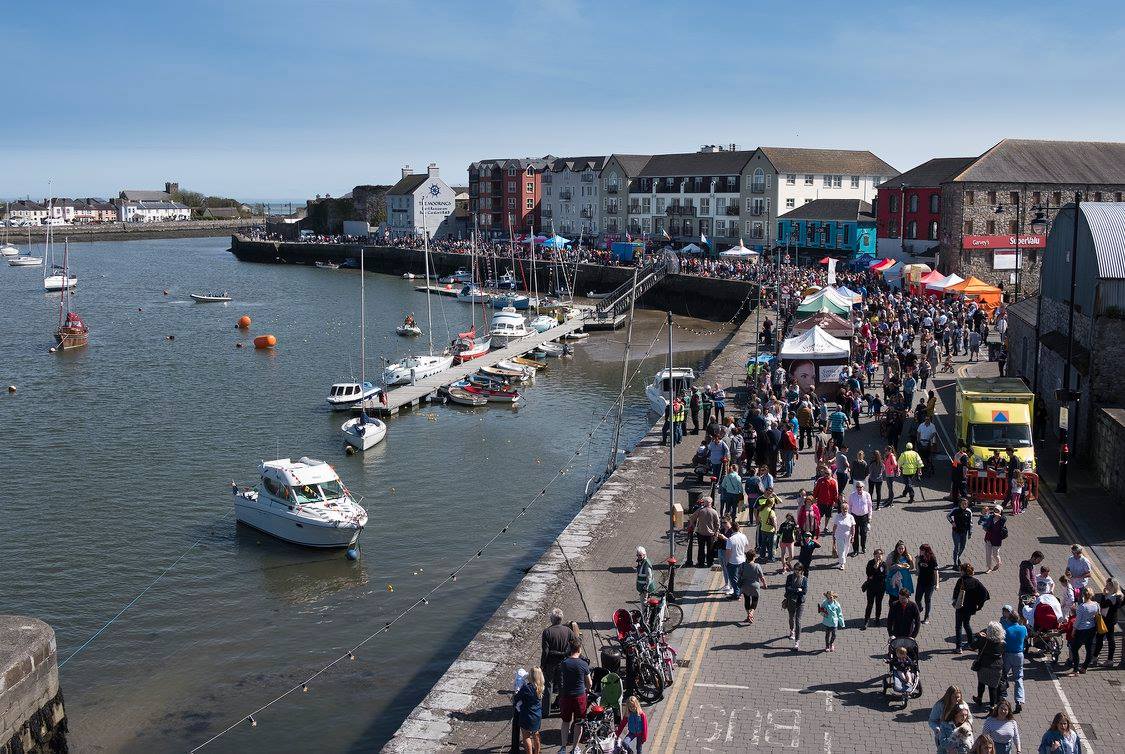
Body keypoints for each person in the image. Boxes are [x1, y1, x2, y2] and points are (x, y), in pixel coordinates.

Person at [558, 638, 592, 753]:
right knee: (579, 723)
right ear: (579, 649)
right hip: (579, 696)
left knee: (565, 722)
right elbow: (589, 683)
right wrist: (587, 688)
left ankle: (563, 747)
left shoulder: (564, 663)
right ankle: (574, 748)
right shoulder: (583, 664)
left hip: (566, 696)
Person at [541, 609, 572, 719]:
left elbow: (545, 651)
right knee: (562, 686)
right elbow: (575, 643)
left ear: (552, 619)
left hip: (550, 662)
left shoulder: (547, 632)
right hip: (563, 662)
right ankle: (562, 710)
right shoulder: (567, 630)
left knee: (548, 686)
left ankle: (545, 711)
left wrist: (542, 665)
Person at [953, 563, 991, 653]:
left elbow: (955, 594)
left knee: (958, 626)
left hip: (960, 607)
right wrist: (979, 605)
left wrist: (955, 602)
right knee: (966, 624)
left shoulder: (960, 580)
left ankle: (958, 647)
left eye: (960, 570)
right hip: (970, 608)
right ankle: (971, 643)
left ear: (963, 571)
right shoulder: (975, 581)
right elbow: (985, 593)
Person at [972, 621, 1006, 709]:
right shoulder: (1002, 643)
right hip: (997, 667)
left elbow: (972, 646)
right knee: (993, 687)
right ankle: (992, 707)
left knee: (981, 682)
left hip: (984, 665)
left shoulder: (984, 641)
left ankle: (979, 698)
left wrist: (978, 636)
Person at [1000, 605, 1028, 713]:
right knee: (1018, 678)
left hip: (1007, 654)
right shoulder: (1023, 629)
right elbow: (1025, 637)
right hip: (1019, 655)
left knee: (1003, 675)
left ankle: (1003, 696)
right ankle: (1019, 700)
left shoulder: (1006, 629)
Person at [929, 686, 970, 754]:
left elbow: (969, 718)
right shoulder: (940, 705)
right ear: (949, 697)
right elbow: (932, 720)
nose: (957, 699)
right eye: (955, 697)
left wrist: (966, 727)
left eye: (958, 697)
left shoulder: (963, 705)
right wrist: (937, 729)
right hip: (943, 734)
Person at [1068, 587, 1099, 675]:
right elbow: (1097, 615)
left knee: (1074, 649)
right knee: (1089, 649)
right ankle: (1084, 667)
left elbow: (1078, 621)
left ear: (1083, 596)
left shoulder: (1082, 607)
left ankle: (1075, 670)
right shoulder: (1096, 605)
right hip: (1092, 629)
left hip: (1081, 630)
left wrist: (1073, 630)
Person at [1093, 577, 1123, 667]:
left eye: (1107, 584)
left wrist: (1103, 595)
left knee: (1101, 638)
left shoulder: (1113, 597)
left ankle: (1097, 658)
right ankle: (1108, 659)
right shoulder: (1119, 595)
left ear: (1112, 585)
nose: (1105, 585)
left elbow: (1102, 605)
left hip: (1106, 621)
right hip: (1111, 620)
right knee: (1109, 639)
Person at [516, 667, 544, 754]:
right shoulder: (541, 687)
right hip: (537, 714)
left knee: (526, 736)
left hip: (527, 715)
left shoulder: (527, 688)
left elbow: (517, 698)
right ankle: (537, 752)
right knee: (536, 734)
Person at [721, 520, 749, 599]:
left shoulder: (730, 539)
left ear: (732, 529)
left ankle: (736, 594)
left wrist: (726, 562)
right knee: (740, 577)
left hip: (733, 562)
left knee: (733, 579)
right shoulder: (743, 536)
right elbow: (747, 545)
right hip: (742, 560)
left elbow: (728, 553)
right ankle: (740, 591)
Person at [687, 500, 719, 568]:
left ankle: (701, 563)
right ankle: (710, 563)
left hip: (701, 532)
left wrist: (693, 525)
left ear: (704, 503)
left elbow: (692, 517)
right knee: (710, 549)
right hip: (710, 534)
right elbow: (717, 524)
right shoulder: (714, 511)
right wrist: (716, 532)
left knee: (701, 548)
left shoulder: (700, 510)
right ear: (711, 503)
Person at [739, 549, 767, 623]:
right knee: (755, 600)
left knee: (747, 600)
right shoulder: (757, 566)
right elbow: (762, 577)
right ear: (754, 557)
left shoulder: (742, 565)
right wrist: (765, 584)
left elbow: (739, 575)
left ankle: (748, 616)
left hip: (745, 585)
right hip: (755, 586)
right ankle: (751, 613)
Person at [785, 564, 809, 651]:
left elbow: (804, 591)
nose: (796, 571)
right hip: (790, 601)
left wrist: (796, 590)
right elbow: (787, 589)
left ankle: (797, 641)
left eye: (798, 570)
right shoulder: (789, 577)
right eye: (795, 569)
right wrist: (798, 590)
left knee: (798, 620)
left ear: (802, 570)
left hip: (800, 602)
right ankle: (792, 630)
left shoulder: (804, 579)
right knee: (791, 618)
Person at [863, 548, 887, 629]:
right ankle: (866, 620)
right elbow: (868, 573)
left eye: (880, 556)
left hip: (881, 588)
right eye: (877, 556)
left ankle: (877, 619)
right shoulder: (870, 563)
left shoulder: (884, 564)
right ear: (874, 556)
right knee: (869, 604)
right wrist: (875, 568)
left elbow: (884, 576)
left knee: (878, 604)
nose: (878, 558)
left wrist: (875, 575)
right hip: (871, 587)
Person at [848, 481, 873, 556]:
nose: (859, 488)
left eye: (861, 487)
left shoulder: (867, 495)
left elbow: (870, 506)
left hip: (864, 517)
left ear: (863, 487)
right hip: (854, 516)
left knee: (863, 533)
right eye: (857, 487)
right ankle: (855, 550)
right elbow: (850, 506)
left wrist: (870, 516)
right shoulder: (852, 495)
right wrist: (849, 517)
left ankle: (863, 547)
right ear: (856, 487)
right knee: (854, 534)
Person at [980, 506, 1008, 573]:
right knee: (988, 554)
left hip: (997, 539)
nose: (996, 511)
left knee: (995, 554)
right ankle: (989, 567)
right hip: (989, 538)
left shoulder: (1002, 519)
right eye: (995, 510)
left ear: (1001, 511)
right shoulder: (990, 517)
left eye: (998, 510)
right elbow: (984, 520)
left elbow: (1004, 519)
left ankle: (999, 563)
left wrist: (999, 516)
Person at [917, 543, 940, 623]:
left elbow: (936, 572)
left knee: (927, 600)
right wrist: (917, 561)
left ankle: (926, 617)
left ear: (926, 551)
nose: (920, 551)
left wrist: (937, 584)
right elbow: (918, 570)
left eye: (921, 550)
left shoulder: (932, 559)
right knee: (917, 599)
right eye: (920, 550)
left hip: (929, 583)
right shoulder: (920, 557)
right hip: (920, 581)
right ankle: (920, 608)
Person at [829, 502, 856, 570]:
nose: (845, 510)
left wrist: (853, 536)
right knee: (841, 549)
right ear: (841, 509)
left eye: (846, 509)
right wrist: (833, 534)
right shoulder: (838, 516)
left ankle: (841, 560)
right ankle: (842, 564)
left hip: (848, 536)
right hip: (839, 536)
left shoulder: (851, 517)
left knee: (846, 549)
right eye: (843, 509)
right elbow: (835, 526)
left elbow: (853, 527)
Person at [949, 498, 974, 567]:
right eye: (962, 503)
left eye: (965, 504)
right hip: (956, 532)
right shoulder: (955, 510)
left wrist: (970, 532)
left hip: (964, 532)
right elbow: (948, 516)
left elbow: (970, 523)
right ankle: (955, 563)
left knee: (962, 547)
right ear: (960, 503)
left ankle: (957, 557)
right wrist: (952, 522)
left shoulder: (969, 511)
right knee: (957, 546)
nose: (964, 505)